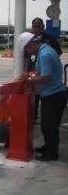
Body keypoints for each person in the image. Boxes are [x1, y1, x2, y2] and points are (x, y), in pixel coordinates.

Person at [19, 31, 67, 161]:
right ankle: (48, 147)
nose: (28, 53)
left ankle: (51, 154)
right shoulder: (46, 51)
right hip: (55, 94)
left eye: (27, 49)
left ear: (31, 45)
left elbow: (46, 77)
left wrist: (29, 79)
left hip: (53, 95)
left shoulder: (45, 55)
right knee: (50, 126)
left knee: (49, 126)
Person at [25, 17, 62, 124]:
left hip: (46, 70)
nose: (36, 29)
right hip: (33, 70)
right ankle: (33, 116)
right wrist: (26, 73)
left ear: (43, 27)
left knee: (44, 91)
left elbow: (57, 53)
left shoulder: (50, 39)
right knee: (34, 93)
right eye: (34, 27)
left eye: (38, 26)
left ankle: (46, 117)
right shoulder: (29, 40)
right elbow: (26, 58)